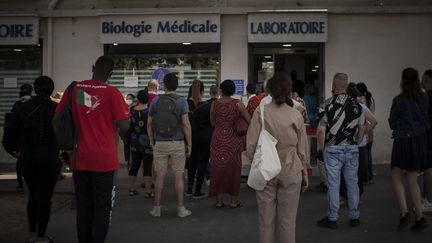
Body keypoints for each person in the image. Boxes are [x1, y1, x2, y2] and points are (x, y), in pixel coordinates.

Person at [54, 56, 130, 243]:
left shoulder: (75, 90)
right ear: (110, 74)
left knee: (84, 206)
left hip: (80, 157)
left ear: (92, 67)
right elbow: (125, 125)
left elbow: (57, 118)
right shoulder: (112, 93)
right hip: (104, 159)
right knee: (102, 207)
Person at [244, 73, 309, 243]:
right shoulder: (296, 115)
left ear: (269, 91)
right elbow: (302, 149)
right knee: (287, 221)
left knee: (265, 220)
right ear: (289, 91)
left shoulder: (261, 111)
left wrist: (256, 161)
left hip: (266, 170)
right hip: (291, 169)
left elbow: (250, 145)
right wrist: (304, 172)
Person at [11, 76, 61, 243]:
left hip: (28, 157)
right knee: (45, 196)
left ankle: (32, 233)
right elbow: (66, 135)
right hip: (50, 158)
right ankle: (41, 235)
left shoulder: (22, 108)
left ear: (35, 88)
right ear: (52, 89)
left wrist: (16, 152)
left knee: (33, 195)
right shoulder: (58, 109)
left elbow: (8, 137)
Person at [317, 73, 365, 229]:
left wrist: (321, 148)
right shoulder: (357, 105)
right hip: (351, 148)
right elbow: (362, 127)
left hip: (333, 149)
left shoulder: (326, 104)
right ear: (346, 85)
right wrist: (356, 142)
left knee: (333, 184)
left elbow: (321, 130)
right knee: (352, 183)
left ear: (333, 85)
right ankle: (354, 217)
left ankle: (332, 218)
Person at [147, 73, 192, 218]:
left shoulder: (156, 101)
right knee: (178, 176)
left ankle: (157, 208)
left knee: (159, 176)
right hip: (177, 143)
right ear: (177, 85)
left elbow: (149, 123)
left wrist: (151, 141)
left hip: (159, 143)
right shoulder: (182, 101)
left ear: (164, 85)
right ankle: (180, 209)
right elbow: (185, 124)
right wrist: (189, 143)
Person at [388, 67, 428, 231]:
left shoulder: (399, 100)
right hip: (419, 141)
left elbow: (391, 123)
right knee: (412, 178)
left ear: (403, 81)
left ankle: (404, 213)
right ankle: (419, 216)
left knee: (397, 176)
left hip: (403, 140)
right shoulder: (423, 98)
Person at [209, 80, 251, 208]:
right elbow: (250, 120)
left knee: (218, 169)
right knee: (234, 170)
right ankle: (233, 201)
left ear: (221, 90)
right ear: (233, 91)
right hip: (233, 139)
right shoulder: (238, 104)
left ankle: (219, 201)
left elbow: (212, 123)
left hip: (218, 138)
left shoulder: (214, 104)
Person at [185, 79, 212, 199]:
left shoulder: (186, 103)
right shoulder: (207, 105)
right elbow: (212, 122)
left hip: (191, 136)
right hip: (205, 137)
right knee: (202, 163)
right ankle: (198, 191)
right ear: (202, 90)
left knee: (192, 162)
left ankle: (189, 188)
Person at [127, 89, 154, 198]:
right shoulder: (149, 111)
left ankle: (131, 189)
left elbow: (129, 125)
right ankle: (148, 191)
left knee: (134, 166)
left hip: (134, 142)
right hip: (147, 143)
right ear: (147, 99)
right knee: (147, 167)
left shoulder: (132, 110)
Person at [11, 83, 33, 192]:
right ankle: (32, 184)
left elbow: (12, 123)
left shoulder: (17, 104)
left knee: (20, 161)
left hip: (20, 137)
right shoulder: (34, 103)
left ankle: (20, 184)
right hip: (33, 137)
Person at [356, 82, 376, 183]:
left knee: (364, 155)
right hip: (370, 127)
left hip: (364, 126)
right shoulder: (370, 98)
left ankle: (366, 177)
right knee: (368, 153)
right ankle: (369, 175)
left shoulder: (361, 101)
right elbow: (373, 115)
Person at [421, 69, 432, 213]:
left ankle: (429, 201)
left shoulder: (428, 98)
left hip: (429, 138)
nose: (421, 82)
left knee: (429, 169)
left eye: (424, 79)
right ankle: (426, 198)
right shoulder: (426, 97)